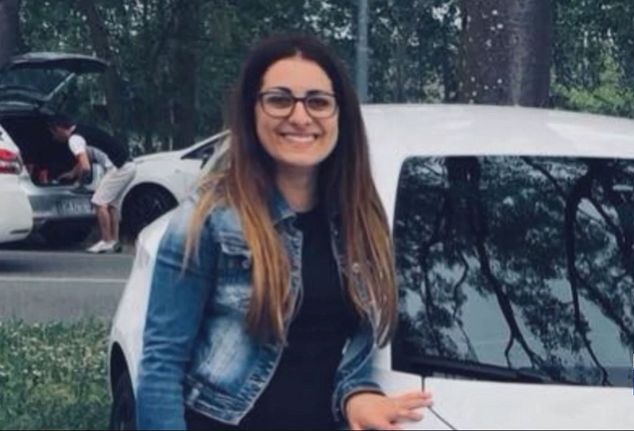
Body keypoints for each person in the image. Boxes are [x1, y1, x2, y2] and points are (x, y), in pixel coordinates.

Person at [135, 34, 432, 430]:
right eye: (279, 99)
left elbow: (346, 348)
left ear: (340, 115)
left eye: (318, 102)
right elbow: (161, 366)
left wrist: (357, 395)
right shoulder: (208, 218)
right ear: (252, 110)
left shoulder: (361, 219)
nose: (300, 117)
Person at [48, 116, 136, 253]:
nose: (54, 138)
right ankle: (114, 241)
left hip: (118, 168)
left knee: (99, 202)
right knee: (111, 205)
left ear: (59, 129)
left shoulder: (74, 139)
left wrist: (79, 184)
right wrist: (72, 173)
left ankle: (105, 241)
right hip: (129, 166)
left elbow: (85, 167)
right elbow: (87, 156)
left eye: (53, 133)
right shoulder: (83, 131)